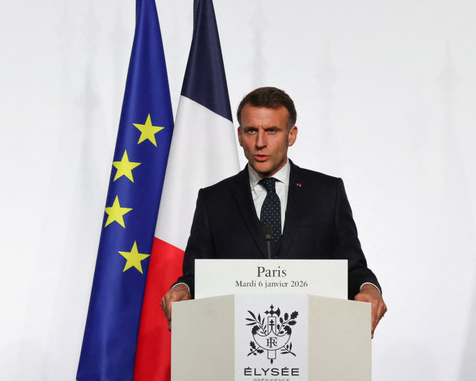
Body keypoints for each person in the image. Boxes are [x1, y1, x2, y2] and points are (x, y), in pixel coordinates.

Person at [161, 86, 387, 334]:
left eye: (271, 131)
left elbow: (352, 268)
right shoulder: (214, 199)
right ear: (239, 135)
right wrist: (182, 288)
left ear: (291, 135)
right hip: (234, 344)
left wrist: (369, 289)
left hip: (314, 341)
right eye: (251, 131)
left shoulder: (326, 193)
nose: (260, 143)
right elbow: (197, 275)